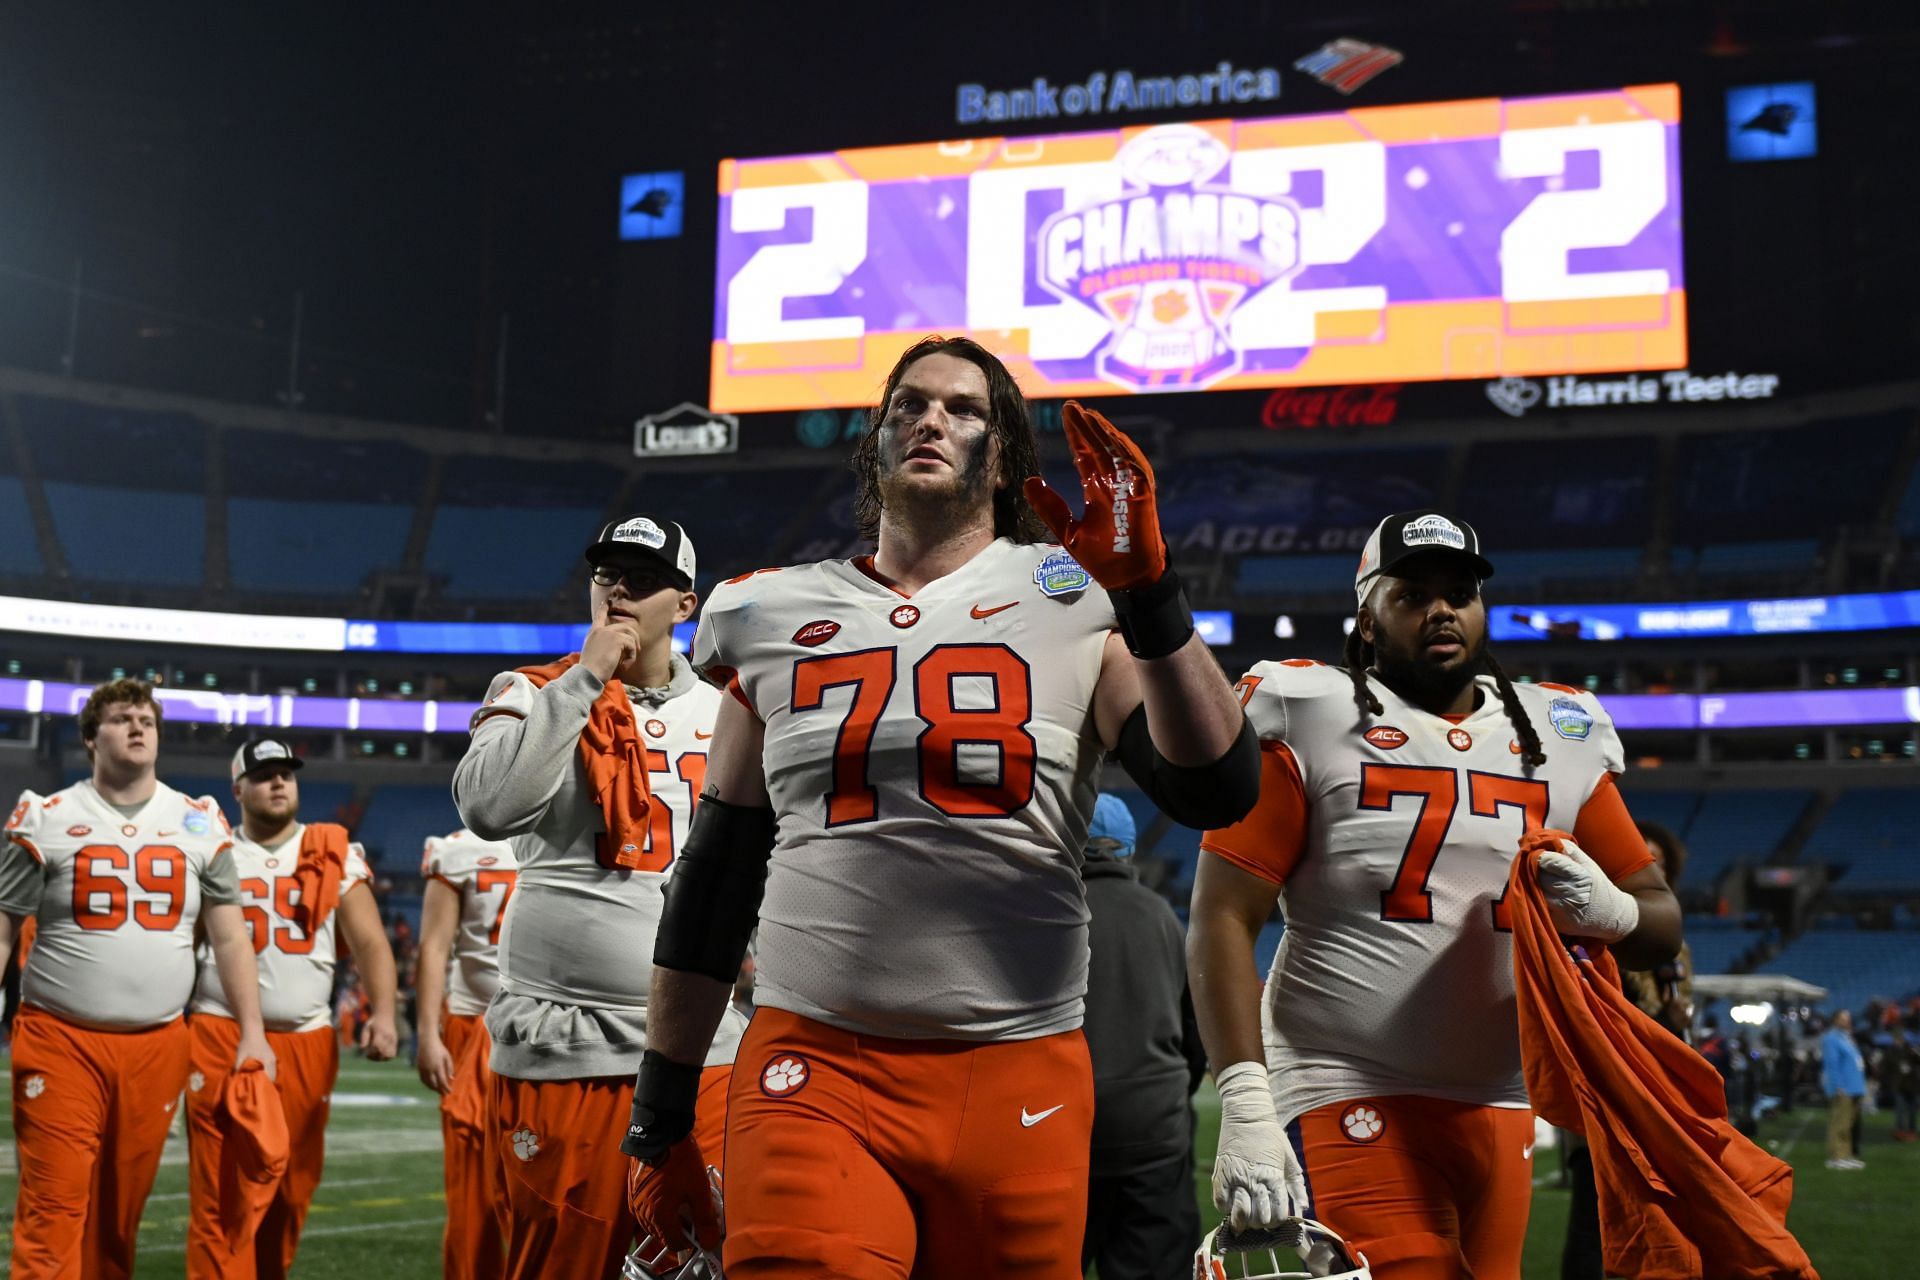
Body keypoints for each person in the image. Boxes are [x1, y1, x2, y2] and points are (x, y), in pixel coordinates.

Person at [624, 335, 1260, 1280]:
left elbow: (1215, 787)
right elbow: (715, 881)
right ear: (875, 439)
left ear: (1001, 455)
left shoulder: (1079, 601)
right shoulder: (763, 614)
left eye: (965, 409)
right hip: (813, 1061)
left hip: (1017, 1066)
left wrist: (1151, 597)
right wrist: (661, 1113)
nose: (932, 419)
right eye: (910, 403)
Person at [1188, 510, 1681, 1280]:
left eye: (1459, 592)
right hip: (1346, 1079)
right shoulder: (1308, 710)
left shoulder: (1560, 730)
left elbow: (1660, 921)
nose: (1441, 609)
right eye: (1412, 594)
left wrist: (1608, 909)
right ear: (1368, 618)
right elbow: (1224, 912)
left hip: (1503, 1095)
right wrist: (1246, 1098)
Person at [453, 514, 746, 1279]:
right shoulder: (533, 690)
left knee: (703, 1262)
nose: (618, 592)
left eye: (642, 581)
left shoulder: (728, 712)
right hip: (569, 1052)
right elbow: (488, 806)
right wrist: (586, 680)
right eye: (606, 577)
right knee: (567, 1260)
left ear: (684, 606)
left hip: (706, 1048)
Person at [0, 679, 275, 1278]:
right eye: (122, 718)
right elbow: (2, 933)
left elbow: (231, 937)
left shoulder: (198, 820)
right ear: (89, 737)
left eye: (147, 719)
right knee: (52, 1208)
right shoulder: (45, 817)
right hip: (60, 1038)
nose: (137, 727)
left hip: (158, 1044)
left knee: (117, 1219)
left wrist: (252, 1031)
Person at [184, 738, 398, 1278]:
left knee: (291, 1190)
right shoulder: (212, 849)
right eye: (263, 775)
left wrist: (384, 1014)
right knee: (220, 1194)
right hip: (220, 1032)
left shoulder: (330, 850)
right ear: (237, 790)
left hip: (306, 1038)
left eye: (286, 773)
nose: (278, 782)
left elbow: (371, 942)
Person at [1078, 792, 1208, 1280]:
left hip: (1061, 1132)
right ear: (1127, 850)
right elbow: (1196, 1037)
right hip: (1154, 1132)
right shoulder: (1164, 918)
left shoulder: (1041, 916)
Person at [1561, 819, 1695, 1280]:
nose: (1650, 867)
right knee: (1593, 1216)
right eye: (1643, 860)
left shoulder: (1677, 947)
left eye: (1658, 861)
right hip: (1606, 1089)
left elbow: (1675, 1013)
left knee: (1660, 1218)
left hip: (1659, 1093)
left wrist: (1677, 1020)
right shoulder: (1596, 934)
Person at [416, 826, 519, 1279]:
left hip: (547, 1028)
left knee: (541, 1190)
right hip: (473, 1024)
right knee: (472, 1194)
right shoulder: (458, 851)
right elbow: (434, 945)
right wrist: (426, 1033)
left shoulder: (570, 831)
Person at [1822, 1010, 1867, 1170]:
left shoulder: (1846, 1037)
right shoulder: (1831, 1038)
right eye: (1843, 1018)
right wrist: (1837, 1085)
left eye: (1848, 1018)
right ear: (1835, 1020)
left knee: (1848, 1124)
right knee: (1839, 1123)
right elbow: (1832, 1064)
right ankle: (1837, 1156)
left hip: (1854, 1086)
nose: (1847, 1021)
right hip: (1844, 1088)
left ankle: (1846, 1155)